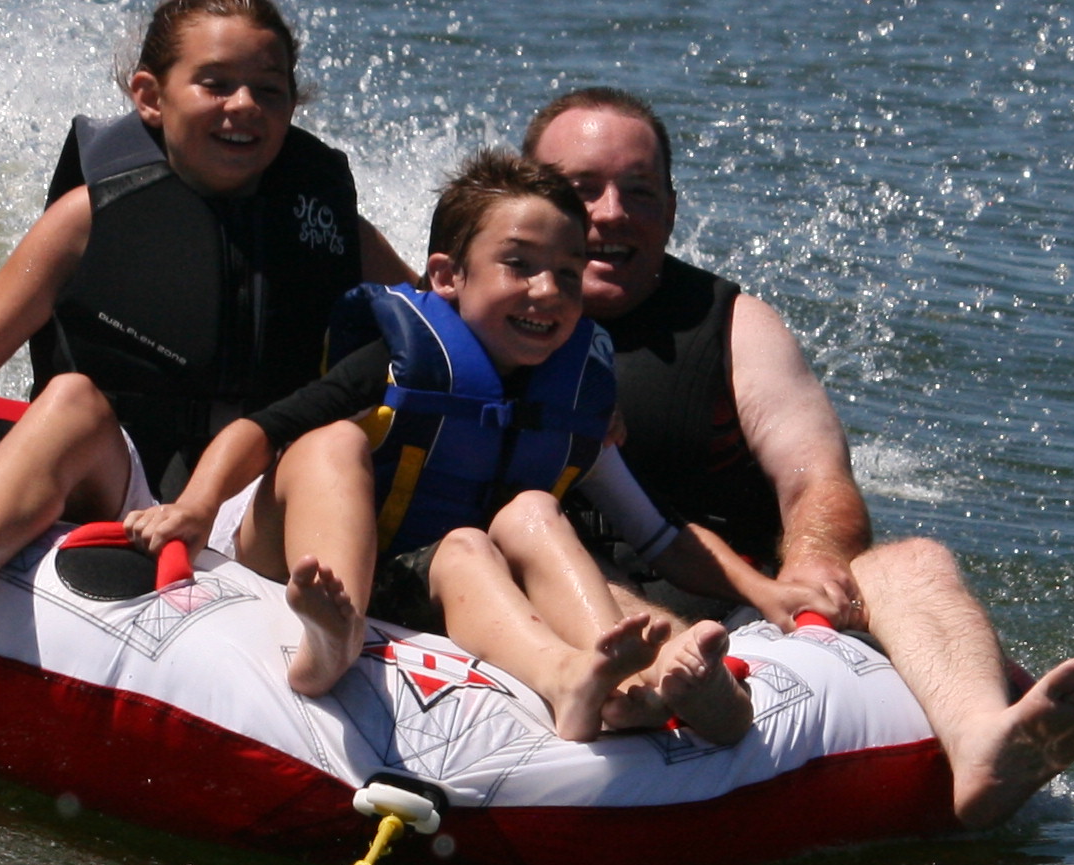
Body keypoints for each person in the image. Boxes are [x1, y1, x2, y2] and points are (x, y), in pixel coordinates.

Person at [522, 88, 1074, 826]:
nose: (611, 213)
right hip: (593, 602)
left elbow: (817, 479)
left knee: (914, 560)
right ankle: (700, 693)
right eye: (582, 190)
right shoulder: (489, 324)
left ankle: (982, 744)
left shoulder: (733, 325)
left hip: (748, 605)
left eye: (639, 191)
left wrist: (811, 569)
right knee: (581, 573)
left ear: (670, 208)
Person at [0, 0, 412, 635]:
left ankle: (336, 631)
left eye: (269, 90)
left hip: (253, 501)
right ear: (150, 97)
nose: (244, 106)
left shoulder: (333, 228)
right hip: (117, 478)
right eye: (215, 84)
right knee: (71, 398)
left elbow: (433, 328)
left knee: (333, 442)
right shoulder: (88, 217)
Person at [227, 150, 754, 744]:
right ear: (448, 276)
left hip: (431, 577)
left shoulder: (575, 398)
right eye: (519, 265)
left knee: (515, 521)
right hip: (302, 555)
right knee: (331, 442)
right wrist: (192, 510)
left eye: (569, 275)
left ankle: (609, 685)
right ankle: (331, 637)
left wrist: (769, 595)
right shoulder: (393, 364)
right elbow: (263, 430)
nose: (546, 291)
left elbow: (657, 530)